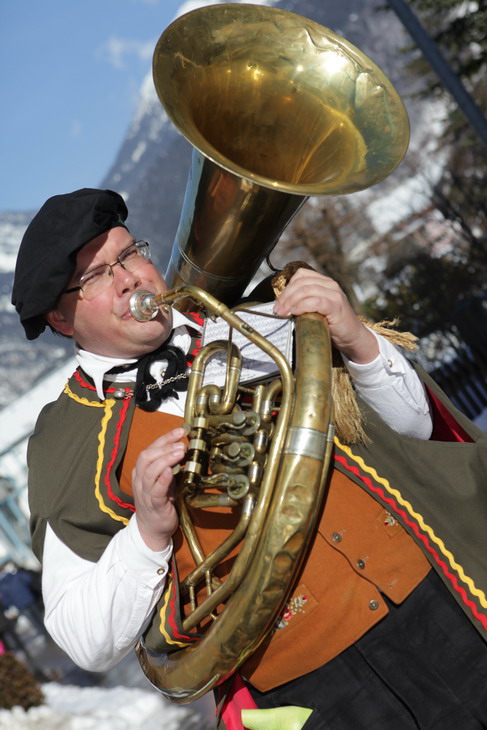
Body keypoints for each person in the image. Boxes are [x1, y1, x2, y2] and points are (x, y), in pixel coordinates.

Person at [11, 188, 487, 729]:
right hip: (315, 688)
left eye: (129, 254)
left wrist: (358, 342)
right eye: (96, 276)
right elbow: (84, 639)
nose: (128, 279)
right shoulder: (65, 443)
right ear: (61, 318)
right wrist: (147, 530)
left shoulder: (259, 324)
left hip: (437, 602)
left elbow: (418, 432)